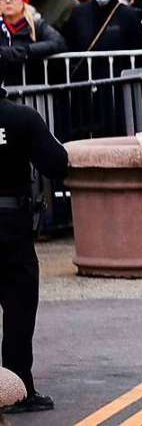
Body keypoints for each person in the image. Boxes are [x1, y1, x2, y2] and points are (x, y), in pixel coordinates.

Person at [0, 61, 69, 414]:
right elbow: (57, 163)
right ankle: (16, 386)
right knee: (18, 304)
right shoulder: (22, 118)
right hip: (10, 221)